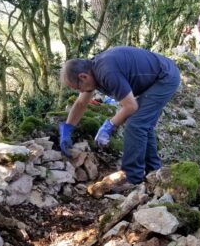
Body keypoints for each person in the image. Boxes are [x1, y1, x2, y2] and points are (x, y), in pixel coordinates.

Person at [58, 46, 181, 185]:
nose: (79, 91)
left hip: (165, 77)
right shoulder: (92, 72)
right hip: (159, 75)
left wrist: (109, 126)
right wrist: (67, 129)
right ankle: (154, 170)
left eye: (77, 88)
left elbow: (131, 106)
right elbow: (81, 103)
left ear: (83, 76)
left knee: (136, 124)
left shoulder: (106, 72)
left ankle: (132, 178)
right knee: (142, 123)